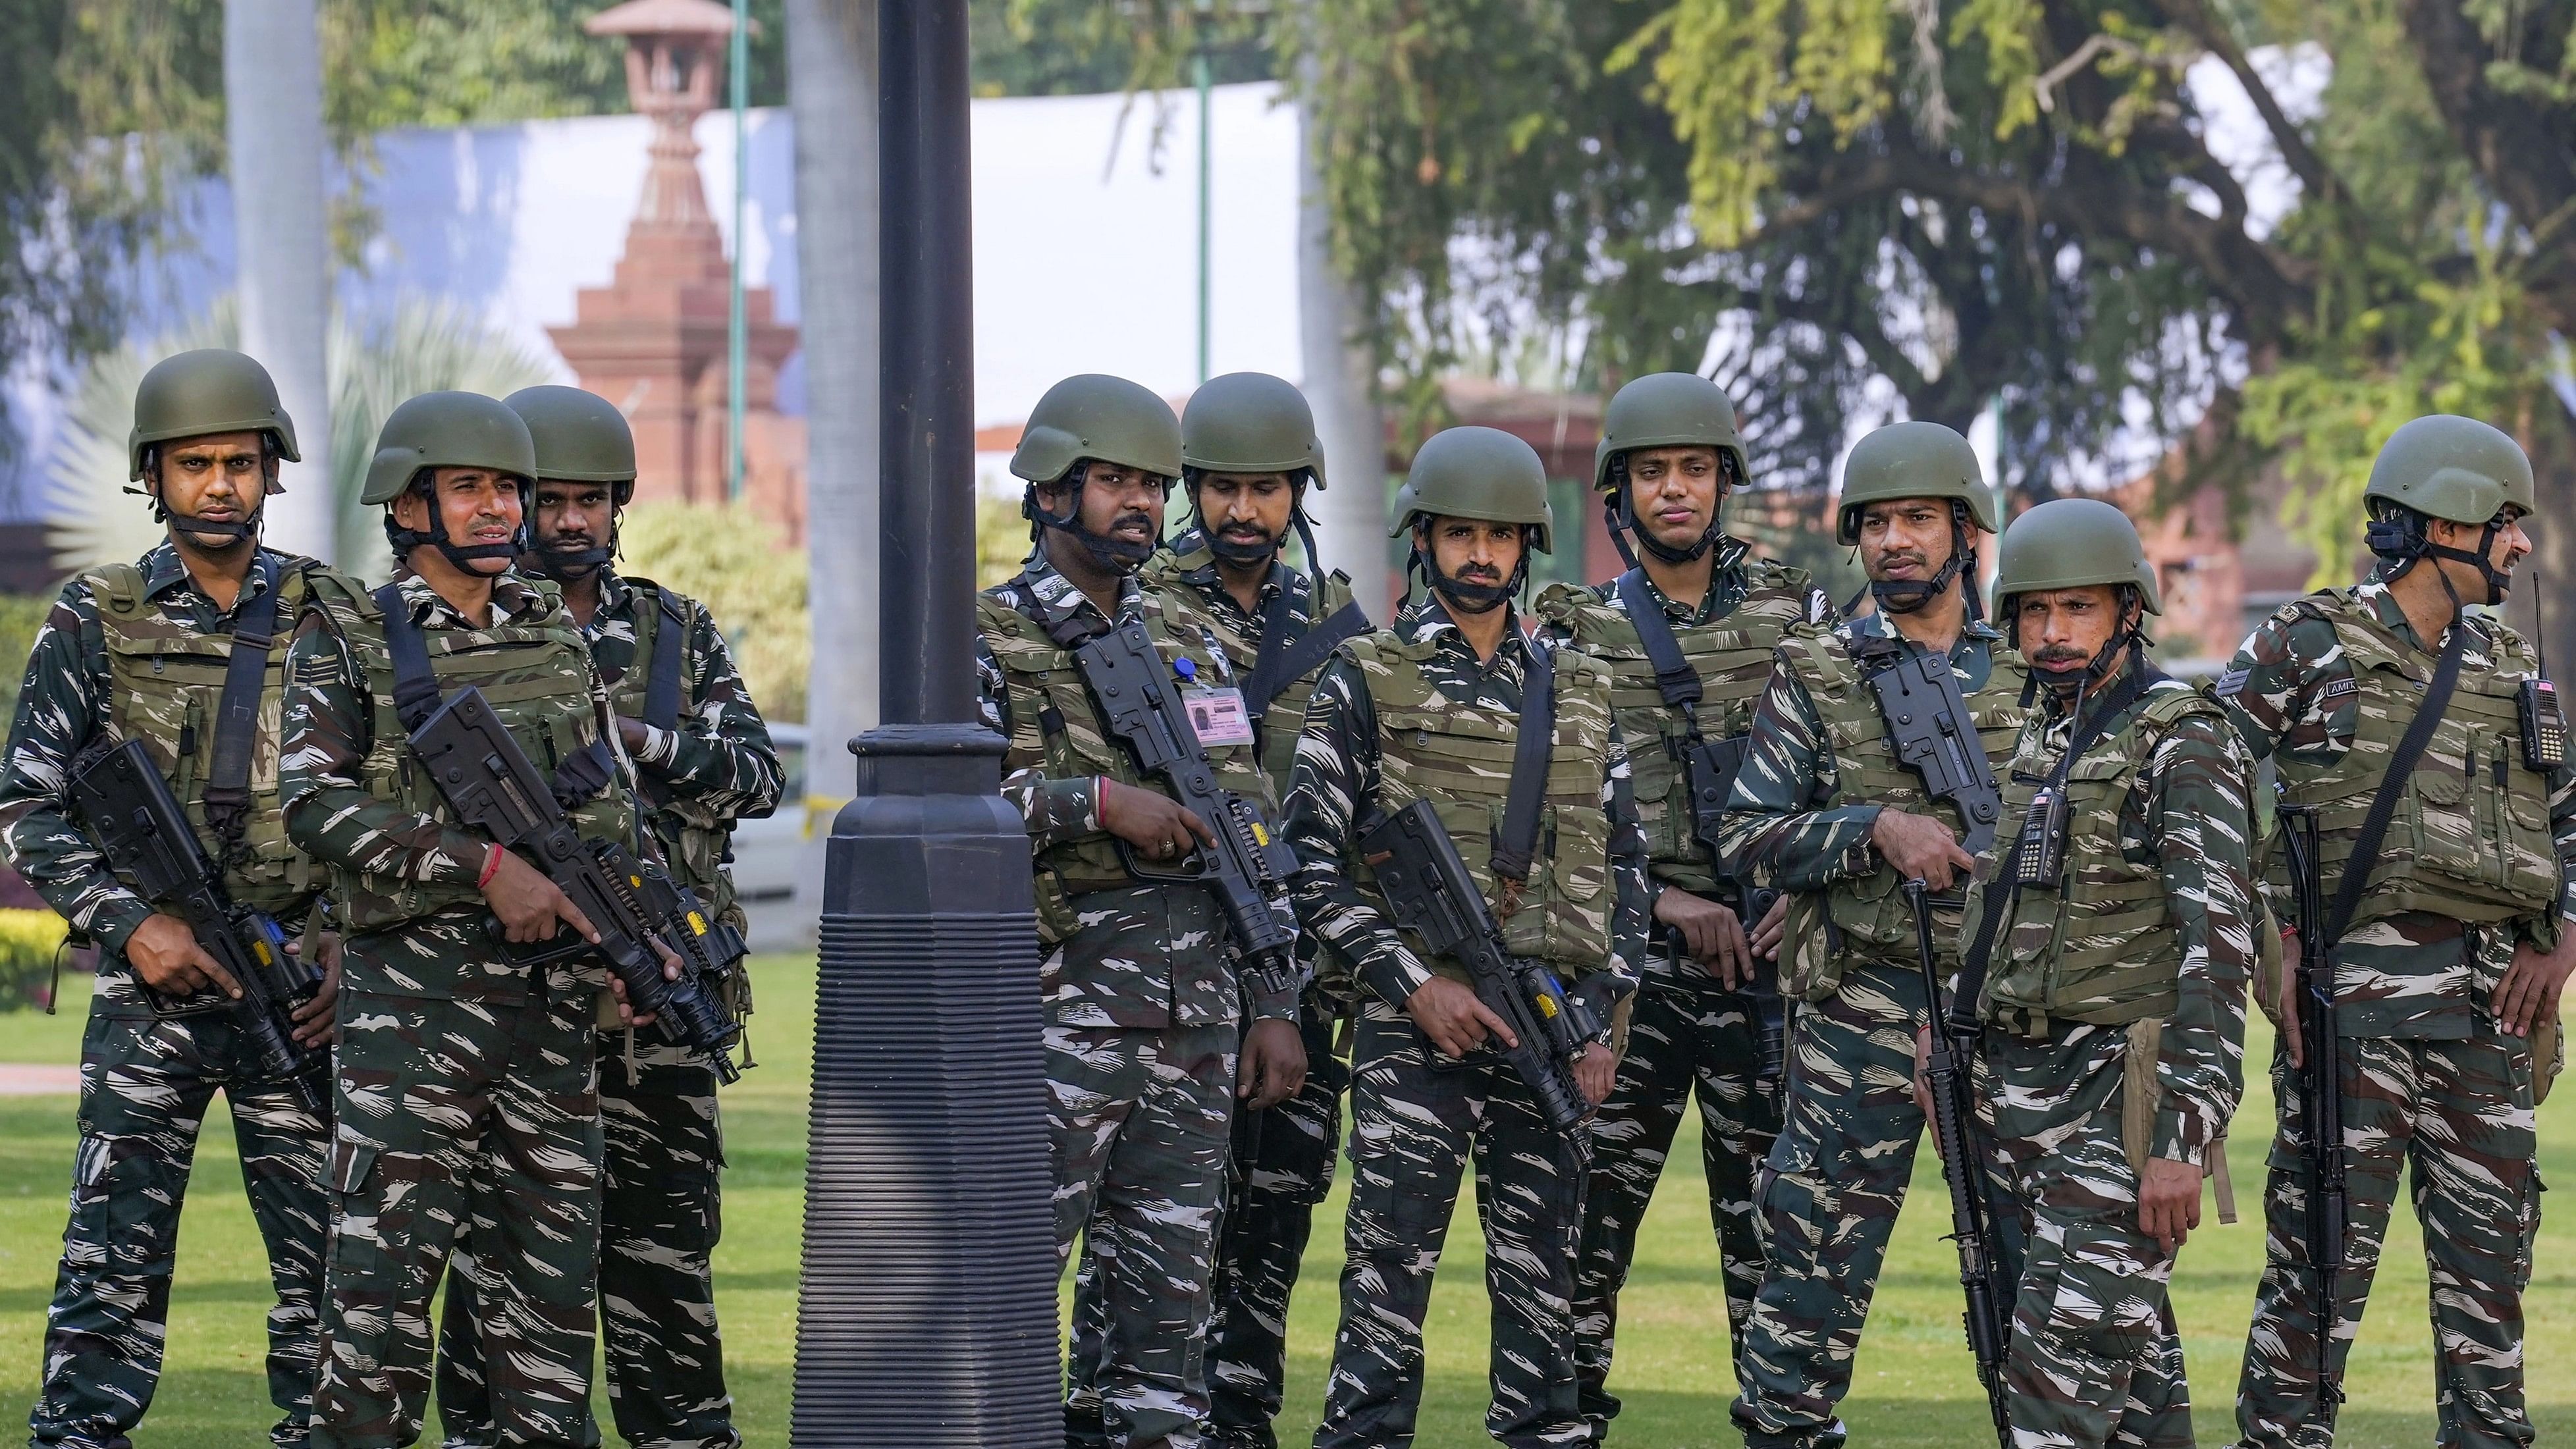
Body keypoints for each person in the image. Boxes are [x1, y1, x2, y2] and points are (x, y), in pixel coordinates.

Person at [284, 390, 660, 1448]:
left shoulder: (550, 628)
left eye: (508, 488)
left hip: (550, 1031)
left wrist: (634, 935)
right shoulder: (350, 634)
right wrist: (479, 864)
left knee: (546, 1332)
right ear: (409, 502)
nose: (497, 509)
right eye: (469, 487)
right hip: (413, 1029)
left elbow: (606, 809)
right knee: (377, 1321)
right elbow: (312, 805)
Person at [431, 384, 782, 1448]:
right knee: (503, 1265)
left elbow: (759, 775)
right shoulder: (460, 635)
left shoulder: (674, 631)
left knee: (664, 1262)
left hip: (661, 1010)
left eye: (592, 501)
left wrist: (648, 744)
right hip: (519, 1010)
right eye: (554, 500)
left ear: (619, 507)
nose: (571, 522)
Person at [1284, 424, 1649, 1449]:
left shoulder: (1582, 688)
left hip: (1555, 1033)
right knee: (1384, 1287)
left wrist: (1601, 1026)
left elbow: (1630, 869)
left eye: (1499, 536)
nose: (1480, 555)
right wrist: (1412, 985)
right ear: (1424, 541)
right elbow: (1307, 867)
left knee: (1547, 1300)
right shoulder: (1364, 676)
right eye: (1459, 535)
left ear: (1527, 545)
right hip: (1419, 1037)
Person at [0, 348, 338, 1449]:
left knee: (331, 1265)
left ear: (271, 470)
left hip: (295, 994)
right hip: (153, 1000)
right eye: (195, 463)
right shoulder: (92, 617)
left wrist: (343, 950)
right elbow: (26, 804)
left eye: (240, 461)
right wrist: (126, 922)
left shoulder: (334, 614)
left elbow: (391, 800)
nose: (220, 484)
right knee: (111, 1259)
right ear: (156, 473)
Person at [2221, 415, 2576, 1449]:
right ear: (2448, 521)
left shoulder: (2512, 667)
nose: (2520, 545)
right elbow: (2193, 792)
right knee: (2316, 1286)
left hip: (2486, 1026)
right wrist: (2263, 950)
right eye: (2506, 522)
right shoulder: (2302, 645)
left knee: (2490, 1295)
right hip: (2350, 1017)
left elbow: (2571, 819)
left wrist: (2564, 941)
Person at [974, 372, 1309, 1449]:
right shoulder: (986, 637)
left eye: (1151, 485)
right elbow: (946, 805)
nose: (1137, 503)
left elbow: (1250, 828)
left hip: (1197, 1020)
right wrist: (1098, 803)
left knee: (1170, 1325)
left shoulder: (1189, 642)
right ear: (1051, 488)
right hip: (1055, 1014)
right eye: (1111, 479)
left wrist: (1273, 999)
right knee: (1010, 1298)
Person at [1065, 371, 1371, 1449]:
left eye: (1269, 491)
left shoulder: (1338, 622)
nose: (1246, 512)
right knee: (1138, 1236)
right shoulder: (1144, 606)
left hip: (1297, 966)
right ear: (1192, 490)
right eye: (1224, 489)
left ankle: (1236, 1421)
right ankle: (1101, 1414)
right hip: (1157, 963)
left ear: (1300, 494)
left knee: (1271, 1221)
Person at [1713, 421, 2028, 1449]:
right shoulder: (1815, 668)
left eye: (1918, 519)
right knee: (1808, 1284)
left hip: (2014, 1012)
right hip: (1858, 1013)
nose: (1896, 539)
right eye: (1878, 522)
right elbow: (1749, 835)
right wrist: (1873, 830)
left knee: (2045, 1278)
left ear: (1966, 533)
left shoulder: (2029, 670)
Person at [1530, 371, 1829, 1440]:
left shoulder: (1796, 619)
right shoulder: (1574, 633)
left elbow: (1855, 776)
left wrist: (1805, 892)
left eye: (1692, 470)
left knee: (1780, 1252)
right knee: (1585, 1245)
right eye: (1652, 472)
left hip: (1767, 971)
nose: (1673, 490)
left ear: (1722, 485)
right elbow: (1555, 818)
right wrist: (1663, 904)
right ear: (1619, 493)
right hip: (1632, 979)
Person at [1941, 496, 2256, 1446]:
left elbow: (2218, 950)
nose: (2051, 633)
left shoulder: (2181, 738)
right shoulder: (2037, 736)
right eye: (2034, 612)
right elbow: (2003, 911)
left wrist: (2180, 1137)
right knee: (2127, 1393)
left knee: (2055, 1384)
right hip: (2013, 1096)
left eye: (2076, 609)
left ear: (2129, 608)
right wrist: (1951, 1037)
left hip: (2123, 1108)